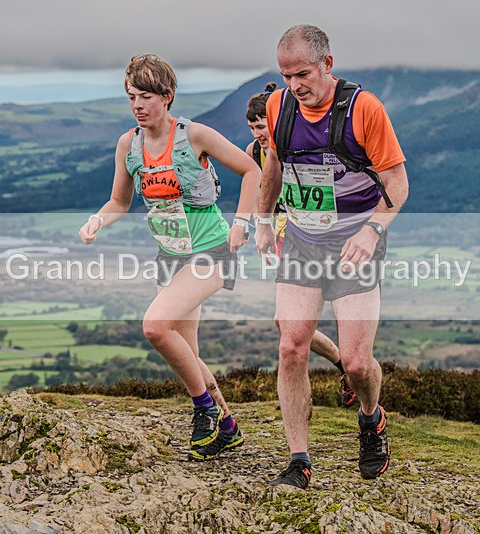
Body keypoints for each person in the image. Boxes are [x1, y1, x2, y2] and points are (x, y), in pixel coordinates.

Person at [79, 54, 261, 461]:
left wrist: (241, 223)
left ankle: (203, 408)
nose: (138, 105)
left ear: (168, 96)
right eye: (132, 97)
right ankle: (227, 427)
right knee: (188, 354)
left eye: (146, 96)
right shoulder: (128, 145)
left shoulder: (195, 135)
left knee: (155, 327)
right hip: (170, 256)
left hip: (212, 250)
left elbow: (252, 171)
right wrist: (97, 221)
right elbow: (119, 202)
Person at [254, 25, 409, 489]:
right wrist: (263, 220)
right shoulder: (278, 106)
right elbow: (274, 166)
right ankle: (298, 460)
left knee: (357, 363)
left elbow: (397, 184)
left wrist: (372, 230)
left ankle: (371, 417)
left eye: (302, 74)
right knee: (291, 345)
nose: (294, 85)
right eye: (286, 76)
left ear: (328, 64)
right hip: (303, 241)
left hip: (354, 244)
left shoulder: (364, 109)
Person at [245, 83, 357, 407]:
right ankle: (337, 368)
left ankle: (348, 365)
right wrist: (258, 224)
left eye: (262, 126)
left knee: (289, 323)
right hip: (285, 237)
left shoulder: (296, 140)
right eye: (252, 127)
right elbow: (257, 189)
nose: (258, 133)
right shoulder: (254, 151)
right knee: (284, 323)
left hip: (321, 236)